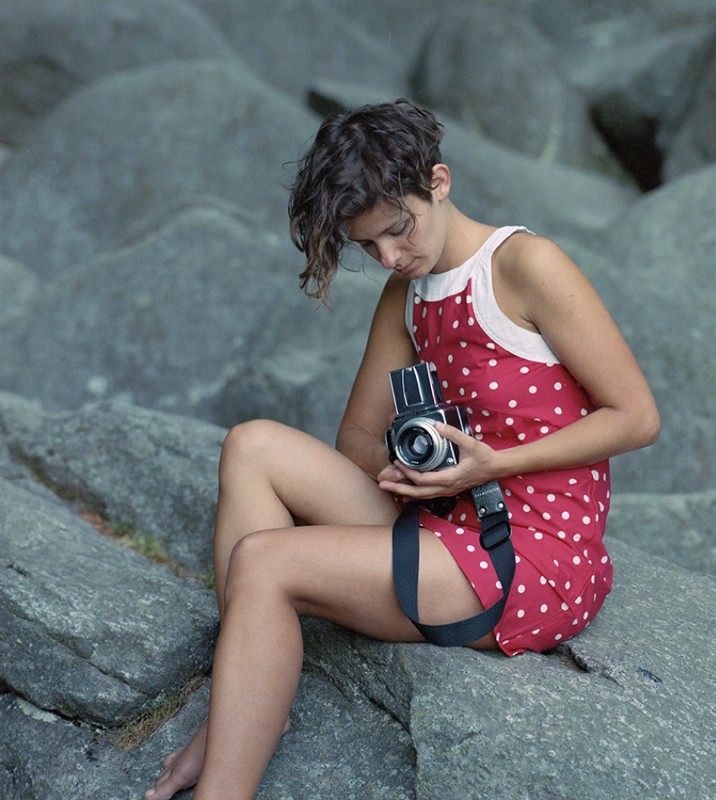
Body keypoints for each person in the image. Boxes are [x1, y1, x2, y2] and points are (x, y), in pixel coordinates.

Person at [145, 100, 659, 800]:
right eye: (368, 246)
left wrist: (494, 464)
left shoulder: (527, 265)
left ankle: (222, 772)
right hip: (450, 517)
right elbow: (355, 439)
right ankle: (242, 697)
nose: (390, 256)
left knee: (264, 562)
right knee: (250, 446)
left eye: (398, 229)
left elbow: (637, 417)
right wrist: (409, 470)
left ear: (439, 181)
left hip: (532, 555)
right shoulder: (407, 295)